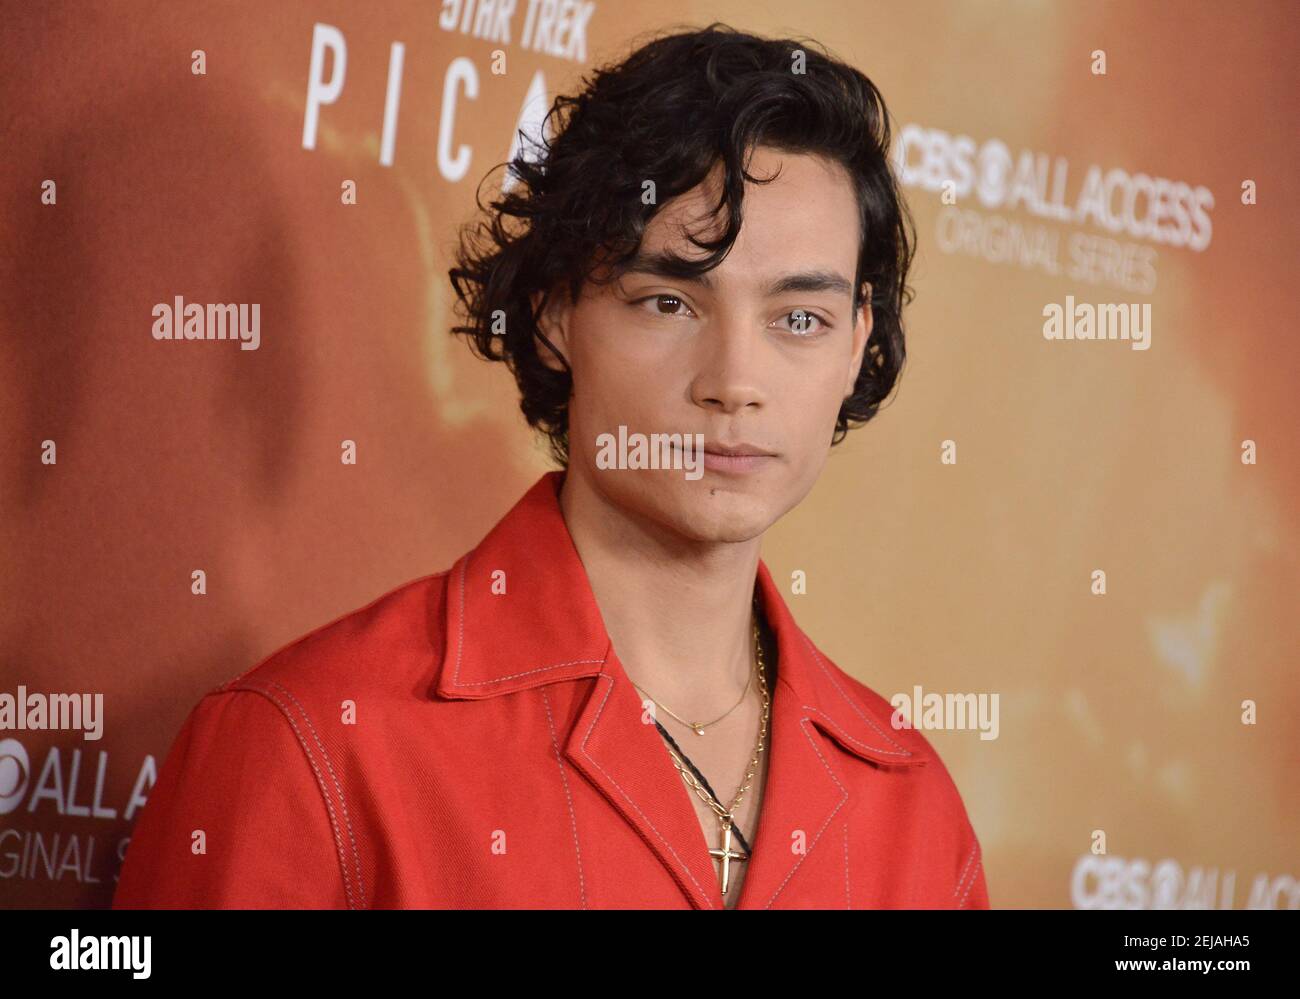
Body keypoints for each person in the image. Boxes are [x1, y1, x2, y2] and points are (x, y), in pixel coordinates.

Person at [113, 22, 988, 910]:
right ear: (552, 315)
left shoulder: (914, 807)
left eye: (799, 317)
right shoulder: (312, 747)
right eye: (669, 301)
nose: (735, 382)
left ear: (855, 346)